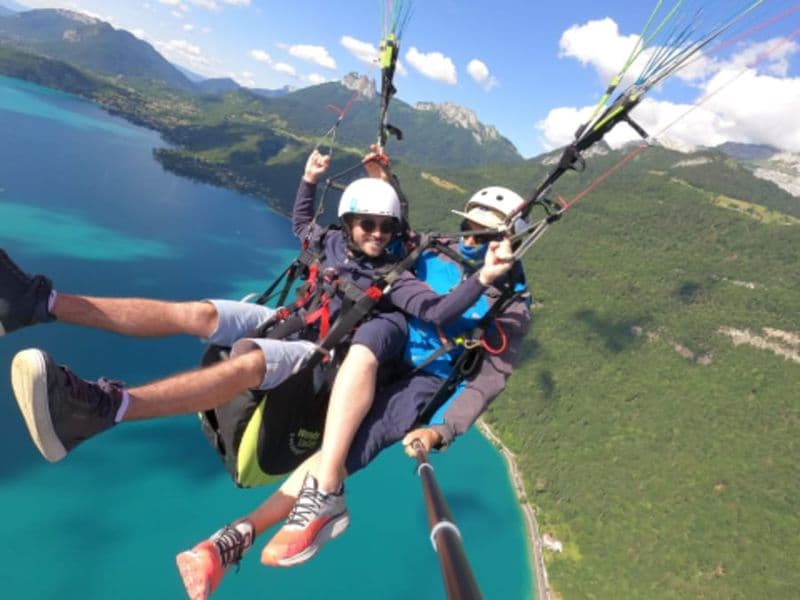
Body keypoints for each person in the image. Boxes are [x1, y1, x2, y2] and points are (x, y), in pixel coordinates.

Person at [2, 148, 513, 477]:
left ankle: (102, 408)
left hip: (318, 351)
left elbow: (440, 309)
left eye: (385, 227)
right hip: (284, 317)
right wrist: (310, 178)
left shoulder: (397, 278)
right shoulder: (332, 242)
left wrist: (483, 278)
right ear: (350, 221)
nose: (377, 235)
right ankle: (37, 303)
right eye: (367, 225)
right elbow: (301, 224)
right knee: (198, 313)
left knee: (247, 364)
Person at [175, 186, 531, 600]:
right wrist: (382, 182)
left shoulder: (511, 302)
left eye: (486, 235)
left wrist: (442, 430)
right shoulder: (434, 248)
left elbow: (489, 379)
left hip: (426, 377)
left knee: (341, 453)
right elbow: (384, 233)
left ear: (511, 241)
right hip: (386, 344)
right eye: (470, 228)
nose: (472, 240)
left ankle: (237, 536)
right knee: (342, 400)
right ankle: (296, 512)